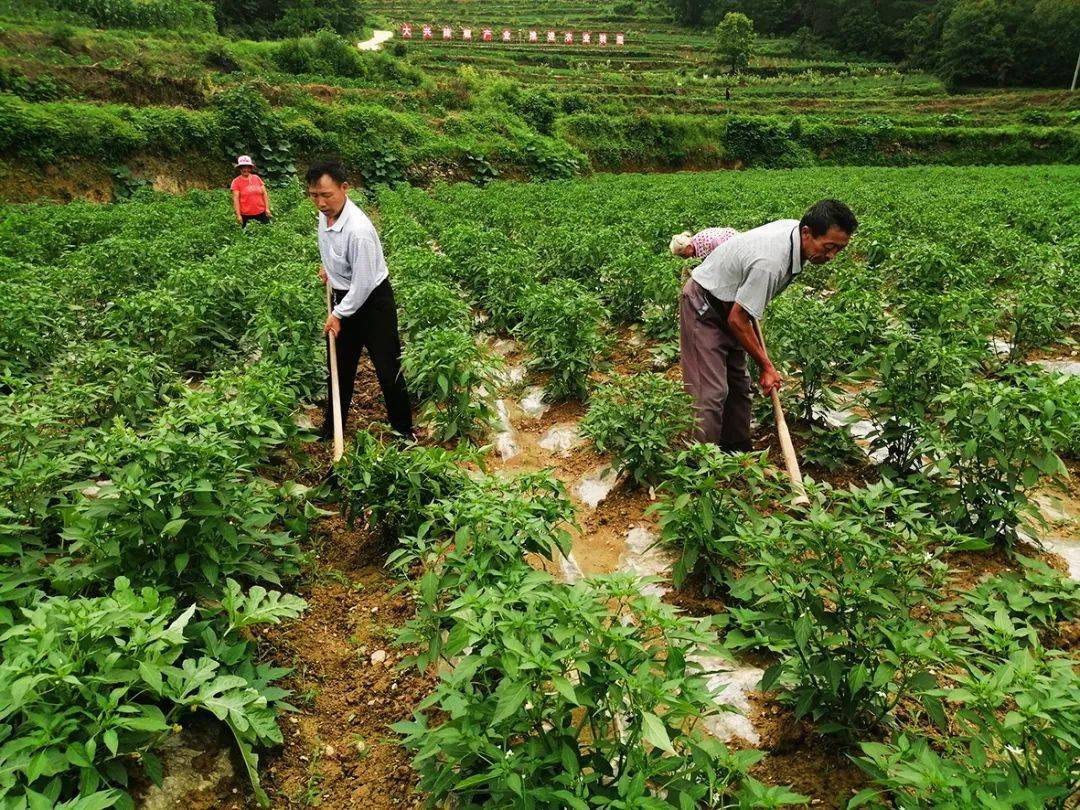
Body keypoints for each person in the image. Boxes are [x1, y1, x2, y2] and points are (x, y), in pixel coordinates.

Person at [679, 199, 857, 449]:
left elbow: (740, 314)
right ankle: (699, 463)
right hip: (704, 306)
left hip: (731, 303)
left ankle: (736, 453)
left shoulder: (796, 233)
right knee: (710, 392)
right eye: (828, 247)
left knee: (739, 388)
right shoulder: (771, 263)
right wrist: (767, 365)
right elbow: (738, 320)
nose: (831, 256)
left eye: (839, 249)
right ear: (807, 233)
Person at [307, 160, 413, 441]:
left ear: (344, 188)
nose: (320, 202)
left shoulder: (359, 231)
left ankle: (404, 433)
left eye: (326, 195)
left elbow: (364, 283)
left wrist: (339, 315)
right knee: (338, 367)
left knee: (388, 368)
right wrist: (329, 268)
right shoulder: (325, 215)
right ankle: (332, 429)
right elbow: (329, 246)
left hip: (373, 303)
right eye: (314, 195)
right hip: (345, 297)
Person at [231, 155, 272, 226]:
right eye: (243, 167)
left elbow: (264, 193)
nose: (245, 169)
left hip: (261, 213)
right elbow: (236, 199)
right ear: (240, 168)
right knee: (247, 235)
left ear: (250, 168)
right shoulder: (236, 182)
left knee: (265, 233)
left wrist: (267, 209)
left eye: (247, 167)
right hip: (245, 215)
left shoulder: (256, 178)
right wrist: (238, 215)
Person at [669, 227, 739, 259]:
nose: (684, 258)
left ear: (688, 248)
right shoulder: (696, 243)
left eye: (683, 255)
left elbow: (721, 249)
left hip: (734, 244)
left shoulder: (706, 242)